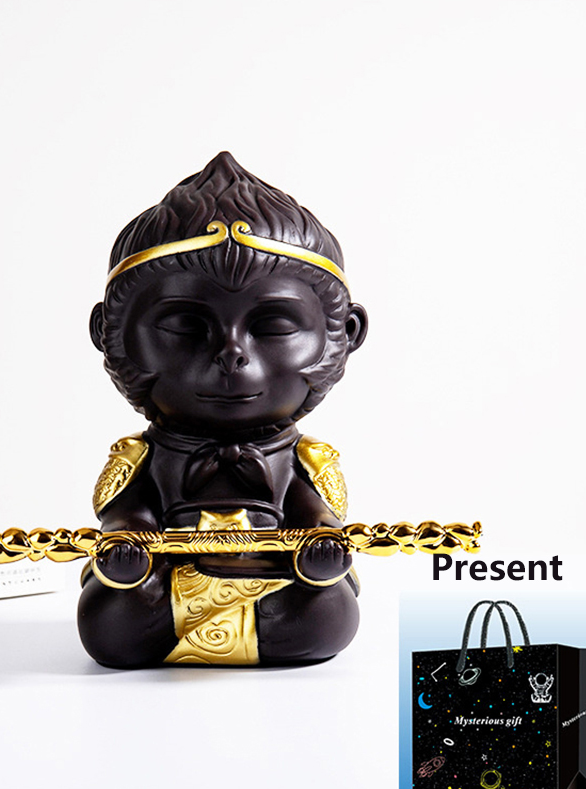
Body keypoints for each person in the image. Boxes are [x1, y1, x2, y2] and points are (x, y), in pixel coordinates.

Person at [78, 152, 368, 667]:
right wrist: (126, 542)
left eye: (272, 326)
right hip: (166, 584)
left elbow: (313, 510)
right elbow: (128, 509)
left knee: (328, 614)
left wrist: (321, 542)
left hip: (271, 579)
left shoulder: (307, 459)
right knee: (109, 621)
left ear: (345, 333)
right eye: (186, 327)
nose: (231, 353)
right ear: (108, 333)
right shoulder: (138, 457)